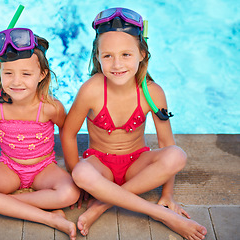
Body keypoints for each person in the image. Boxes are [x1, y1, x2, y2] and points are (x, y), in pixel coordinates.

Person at [62, 7, 207, 240]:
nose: (117, 64)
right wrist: (74, 178)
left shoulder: (152, 93)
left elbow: (165, 143)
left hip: (136, 165)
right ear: (97, 56)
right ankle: (161, 215)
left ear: (142, 54)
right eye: (107, 55)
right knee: (81, 172)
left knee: (177, 155)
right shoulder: (91, 90)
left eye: (126, 55)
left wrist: (167, 195)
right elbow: (68, 133)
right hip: (101, 166)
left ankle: (103, 205)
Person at [0, 28, 79, 240]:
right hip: (10, 167)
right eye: (8, 73)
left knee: (71, 192)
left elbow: (67, 132)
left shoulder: (51, 107)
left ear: (42, 75)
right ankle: (50, 218)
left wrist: (74, 169)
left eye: (26, 74)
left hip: (44, 167)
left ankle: (1, 205)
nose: (16, 82)